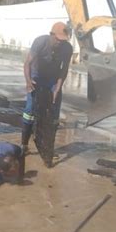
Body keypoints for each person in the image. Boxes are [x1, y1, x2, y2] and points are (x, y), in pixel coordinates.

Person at [21, 21, 73, 149]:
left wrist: (58, 88)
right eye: (58, 39)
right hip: (36, 77)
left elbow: (64, 70)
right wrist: (28, 81)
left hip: (53, 79)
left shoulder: (67, 48)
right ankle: (24, 143)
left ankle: (48, 147)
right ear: (51, 35)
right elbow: (27, 63)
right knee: (30, 109)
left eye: (63, 40)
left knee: (54, 112)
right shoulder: (40, 42)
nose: (60, 42)